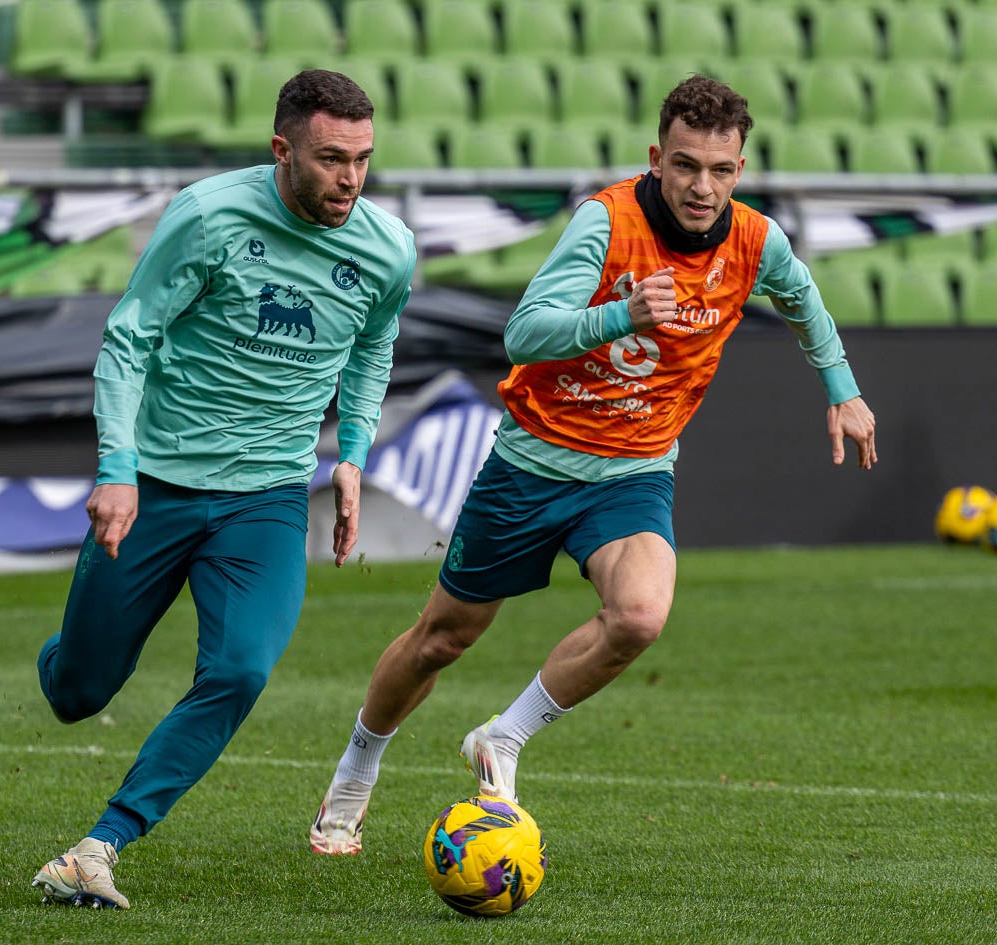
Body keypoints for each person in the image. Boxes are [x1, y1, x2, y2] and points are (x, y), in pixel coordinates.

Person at [310, 74, 877, 855]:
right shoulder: (604, 223)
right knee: (442, 639)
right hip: (532, 465)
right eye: (684, 166)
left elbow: (801, 296)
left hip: (634, 471)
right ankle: (357, 765)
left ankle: (500, 739)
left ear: (738, 170)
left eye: (719, 170)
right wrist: (624, 313)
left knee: (640, 614)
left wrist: (841, 389)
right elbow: (525, 333)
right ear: (656, 158)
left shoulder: (754, 238)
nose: (701, 187)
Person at [30, 69, 416, 908]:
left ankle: (102, 842)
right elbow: (130, 337)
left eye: (363, 159)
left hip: (267, 497)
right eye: (329, 159)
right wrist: (116, 468)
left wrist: (351, 452)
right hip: (159, 484)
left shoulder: (386, 248)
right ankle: (68, 656)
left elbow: (373, 344)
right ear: (282, 151)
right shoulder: (208, 216)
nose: (350, 179)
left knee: (240, 668)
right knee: (77, 692)